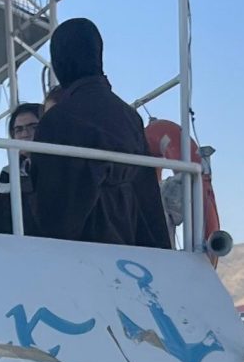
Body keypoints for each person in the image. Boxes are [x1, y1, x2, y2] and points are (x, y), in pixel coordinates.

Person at [29, 19, 168, 248]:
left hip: (80, 250)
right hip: (131, 242)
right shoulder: (130, 116)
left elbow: (53, 211)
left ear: (59, 61)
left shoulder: (57, 120)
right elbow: (147, 194)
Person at [0, 103, 43, 234]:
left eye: (33, 127)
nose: (25, 134)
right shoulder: (8, 172)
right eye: (18, 130)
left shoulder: (60, 168)